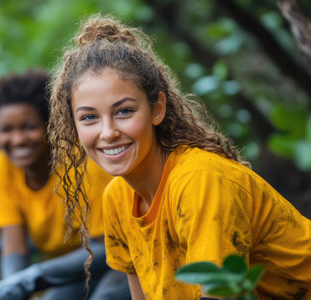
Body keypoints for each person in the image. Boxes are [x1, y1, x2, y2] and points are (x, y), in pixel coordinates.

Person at [47, 15, 311, 300]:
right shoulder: (117, 198)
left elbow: (220, 295)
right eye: (89, 118)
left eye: (124, 111)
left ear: (157, 109)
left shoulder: (199, 179)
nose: (108, 132)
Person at [0, 70, 130, 300]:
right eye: (7, 130)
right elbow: (14, 248)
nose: (17, 139)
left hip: (124, 259)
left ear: (51, 126)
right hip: (73, 269)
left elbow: (109, 248)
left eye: (28, 127)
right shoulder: (2, 168)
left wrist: (32, 277)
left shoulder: (83, 163)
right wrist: (12, 285)